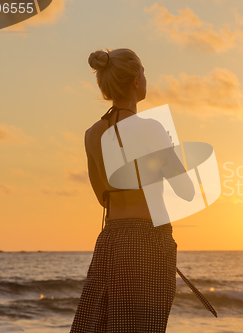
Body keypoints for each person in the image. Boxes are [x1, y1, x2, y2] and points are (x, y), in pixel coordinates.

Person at [69, 48, 216, 333]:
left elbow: (102, 197)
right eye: (145, 73)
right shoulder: (151, 128)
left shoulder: (92, 133)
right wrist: (167, 153)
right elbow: (186, 191)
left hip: (110, 240)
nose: (146, 78)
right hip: (147, 241)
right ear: (136, 81)